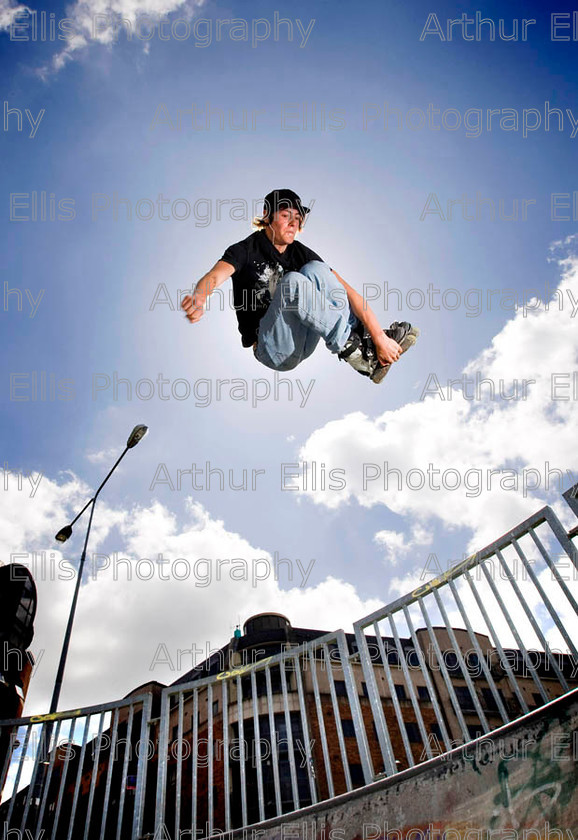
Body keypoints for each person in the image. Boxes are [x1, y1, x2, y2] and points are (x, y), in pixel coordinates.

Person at [181, 189, 418, 384]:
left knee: (316, 269)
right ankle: (355, 352)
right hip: (271, 349)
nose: (293, 224)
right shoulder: (244, 250)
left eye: (297, 218)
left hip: (303, 342)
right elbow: (216, 275)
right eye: (285, 216)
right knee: (293, 281)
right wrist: (200, 297)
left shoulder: (301, 253)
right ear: (267, 215)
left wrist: (379, 337)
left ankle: (364, 344)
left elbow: (348, 292)